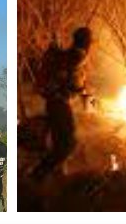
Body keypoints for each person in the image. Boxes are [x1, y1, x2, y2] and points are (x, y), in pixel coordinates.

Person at [31, 27, 93, 180]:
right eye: (89, 42)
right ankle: (38, 176)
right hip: (58, 104)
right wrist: (80, 89)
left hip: (55, 103)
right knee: (67, 144)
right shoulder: (75, 57)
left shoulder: (67, 56)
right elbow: (73, 83)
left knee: (61, 143)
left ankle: (52, 177)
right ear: (85, 42)